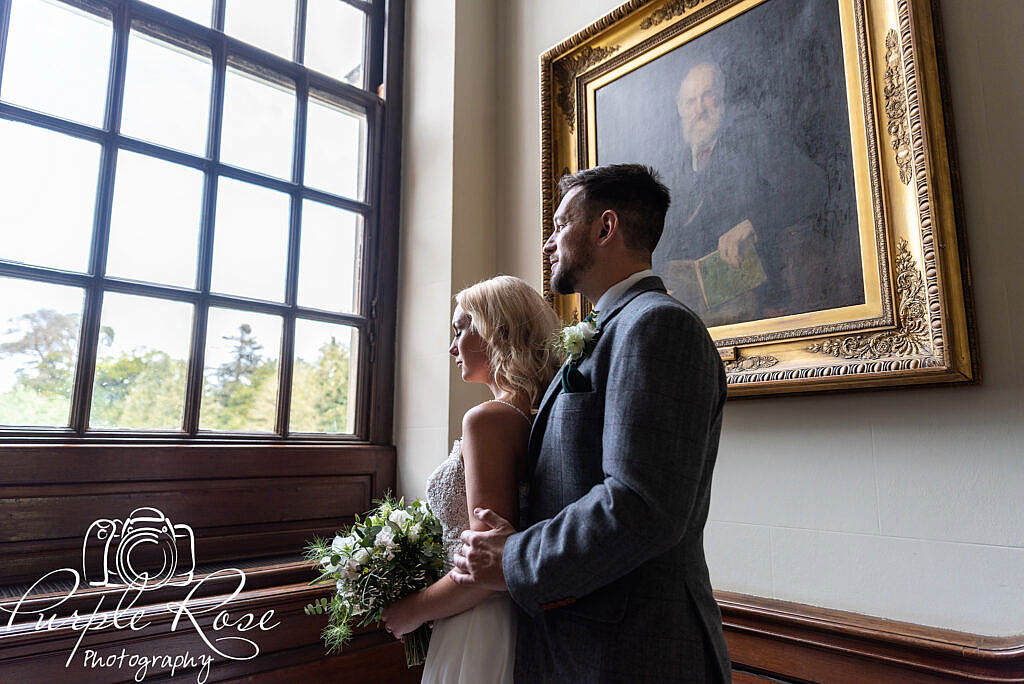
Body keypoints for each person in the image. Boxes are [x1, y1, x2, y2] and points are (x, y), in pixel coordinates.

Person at [450, 164, 731, 682]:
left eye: (560, 225)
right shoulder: (611, 328)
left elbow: (640, 505)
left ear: (605, 229)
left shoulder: (657, 326)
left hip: (632, 654)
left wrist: (513, 557)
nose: (547, 245)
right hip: (579, 643)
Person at [381, 275, 561, 683]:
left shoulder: (489, 420)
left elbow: (486, 569)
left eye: (461, 329)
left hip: (481, 620)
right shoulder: (539, 413)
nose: (451, 346)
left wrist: (413, 610)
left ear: (498, 332)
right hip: (523, 617)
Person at [654, 60, 827, 326]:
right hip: (682, 299)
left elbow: (812, 185)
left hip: (746, 293)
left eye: (707, 96)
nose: (699, 109)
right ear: (680, 108)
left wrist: (752, 224)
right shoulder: (670, 162)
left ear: (722, 98)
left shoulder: (753, 136)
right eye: (690, 102)